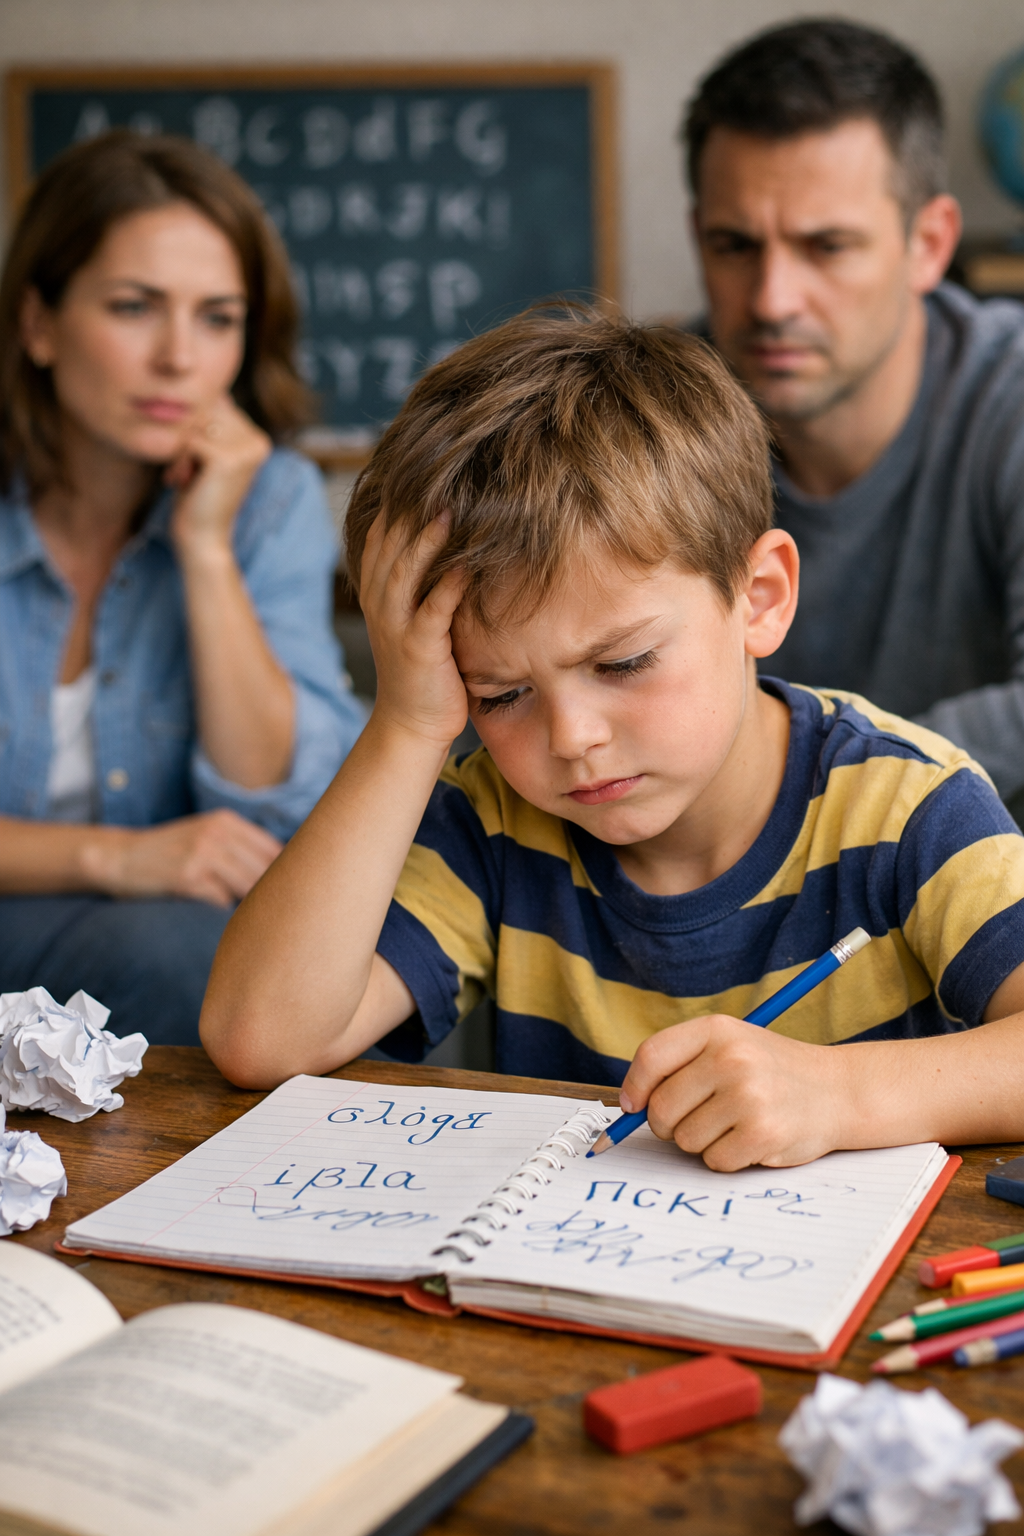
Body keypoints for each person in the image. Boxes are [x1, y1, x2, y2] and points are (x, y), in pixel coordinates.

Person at [200, 311, 1024, 1173]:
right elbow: (262, 1037)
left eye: (622, 663)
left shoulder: (909, 809)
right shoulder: (494, 820)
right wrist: (407, 724)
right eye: (500, 694)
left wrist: (838, 1094)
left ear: (760, 598)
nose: (572, 738)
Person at [0, 130, 365, 1043]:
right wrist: (119, 857)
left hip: (148, 942)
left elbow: (278, 804)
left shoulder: (269, 498)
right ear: (39, 324)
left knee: (288, 957)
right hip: (103, 918)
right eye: (134, 307)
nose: (178, 358)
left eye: (217, 318)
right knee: (182, 947)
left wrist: (206, 549)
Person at [682, 19, 1024, 825]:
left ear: (929, 244)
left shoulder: (1008, 397)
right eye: (735, 245)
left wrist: (798, 796)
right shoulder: (649, 422)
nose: (772, 299)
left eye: (827, 246)